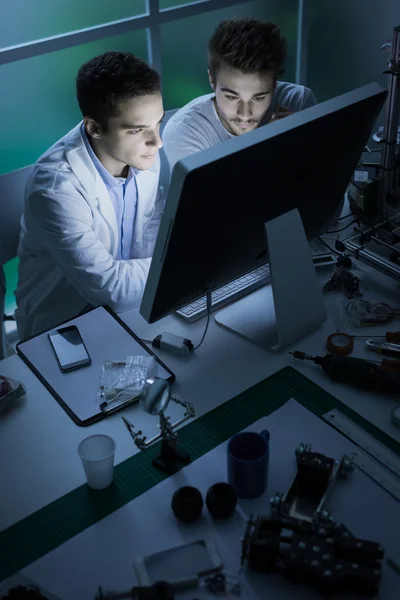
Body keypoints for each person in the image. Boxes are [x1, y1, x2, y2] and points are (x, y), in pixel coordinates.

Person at [15, 51, 164, 340]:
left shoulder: (141, 151)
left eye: (158, 122)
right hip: (64, 329)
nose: (157, 141)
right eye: (137, 129)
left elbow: (151, 239)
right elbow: (112, 290)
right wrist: (175, 263)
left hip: (133, 313)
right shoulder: (55, 190)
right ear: (94, 127)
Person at [162, 18, 317, 172]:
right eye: (232, 97)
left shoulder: (298, 102)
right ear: (212, 80)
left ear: (275, 86)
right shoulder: (185, 132)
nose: (244, 114)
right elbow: (218, 197)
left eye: (258, 98)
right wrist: (267, 147)